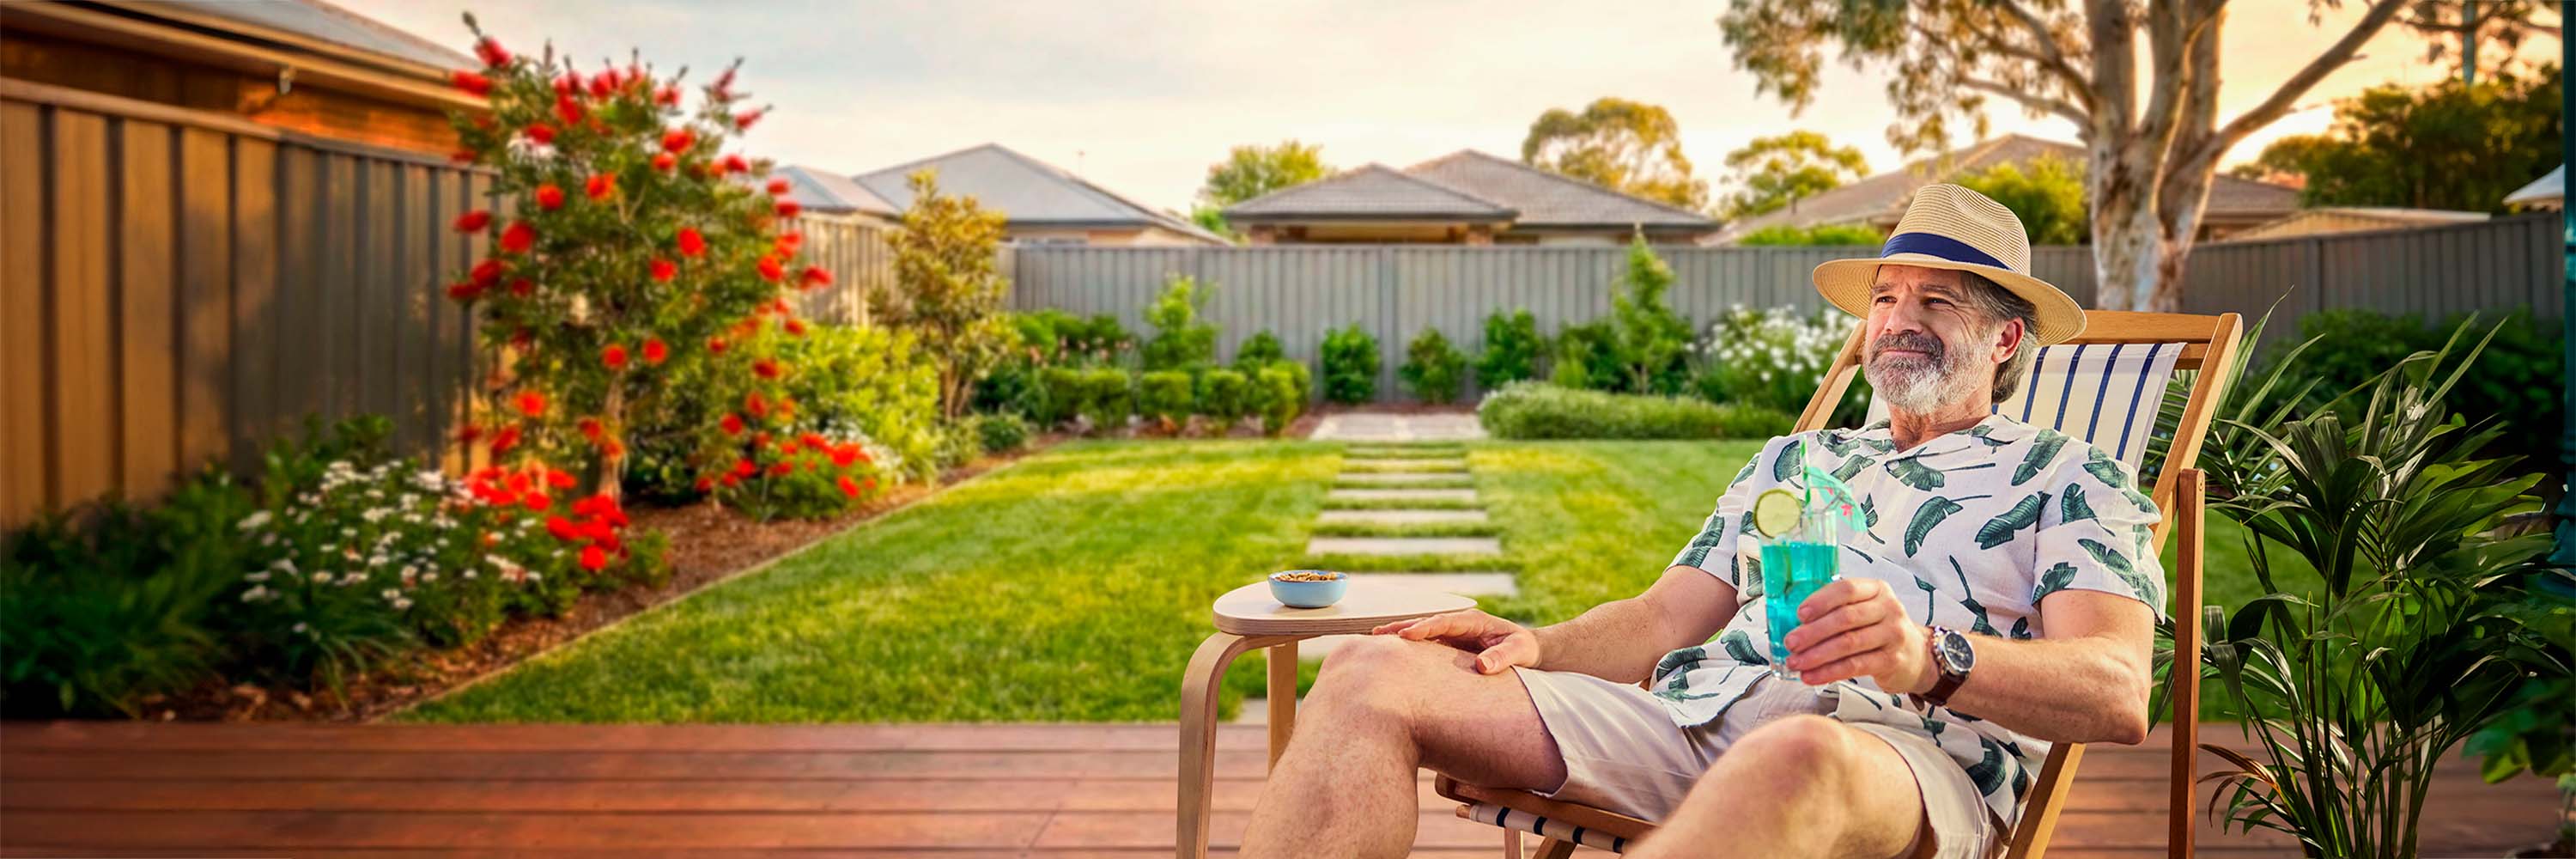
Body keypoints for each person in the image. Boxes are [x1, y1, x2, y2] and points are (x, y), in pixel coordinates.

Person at [1237, 184, 2163, 859]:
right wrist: (1540, 642)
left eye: (1937, 299)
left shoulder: (2073, 478)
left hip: (1900, 761)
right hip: (1693, 719)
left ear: (2005, 338)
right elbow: (1660, 619)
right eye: (1885, 297)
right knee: (1371, 670)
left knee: (1795, 753)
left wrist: (1926, 655)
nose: (1896, 320)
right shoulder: (1795, 461)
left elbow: (2117, 690)